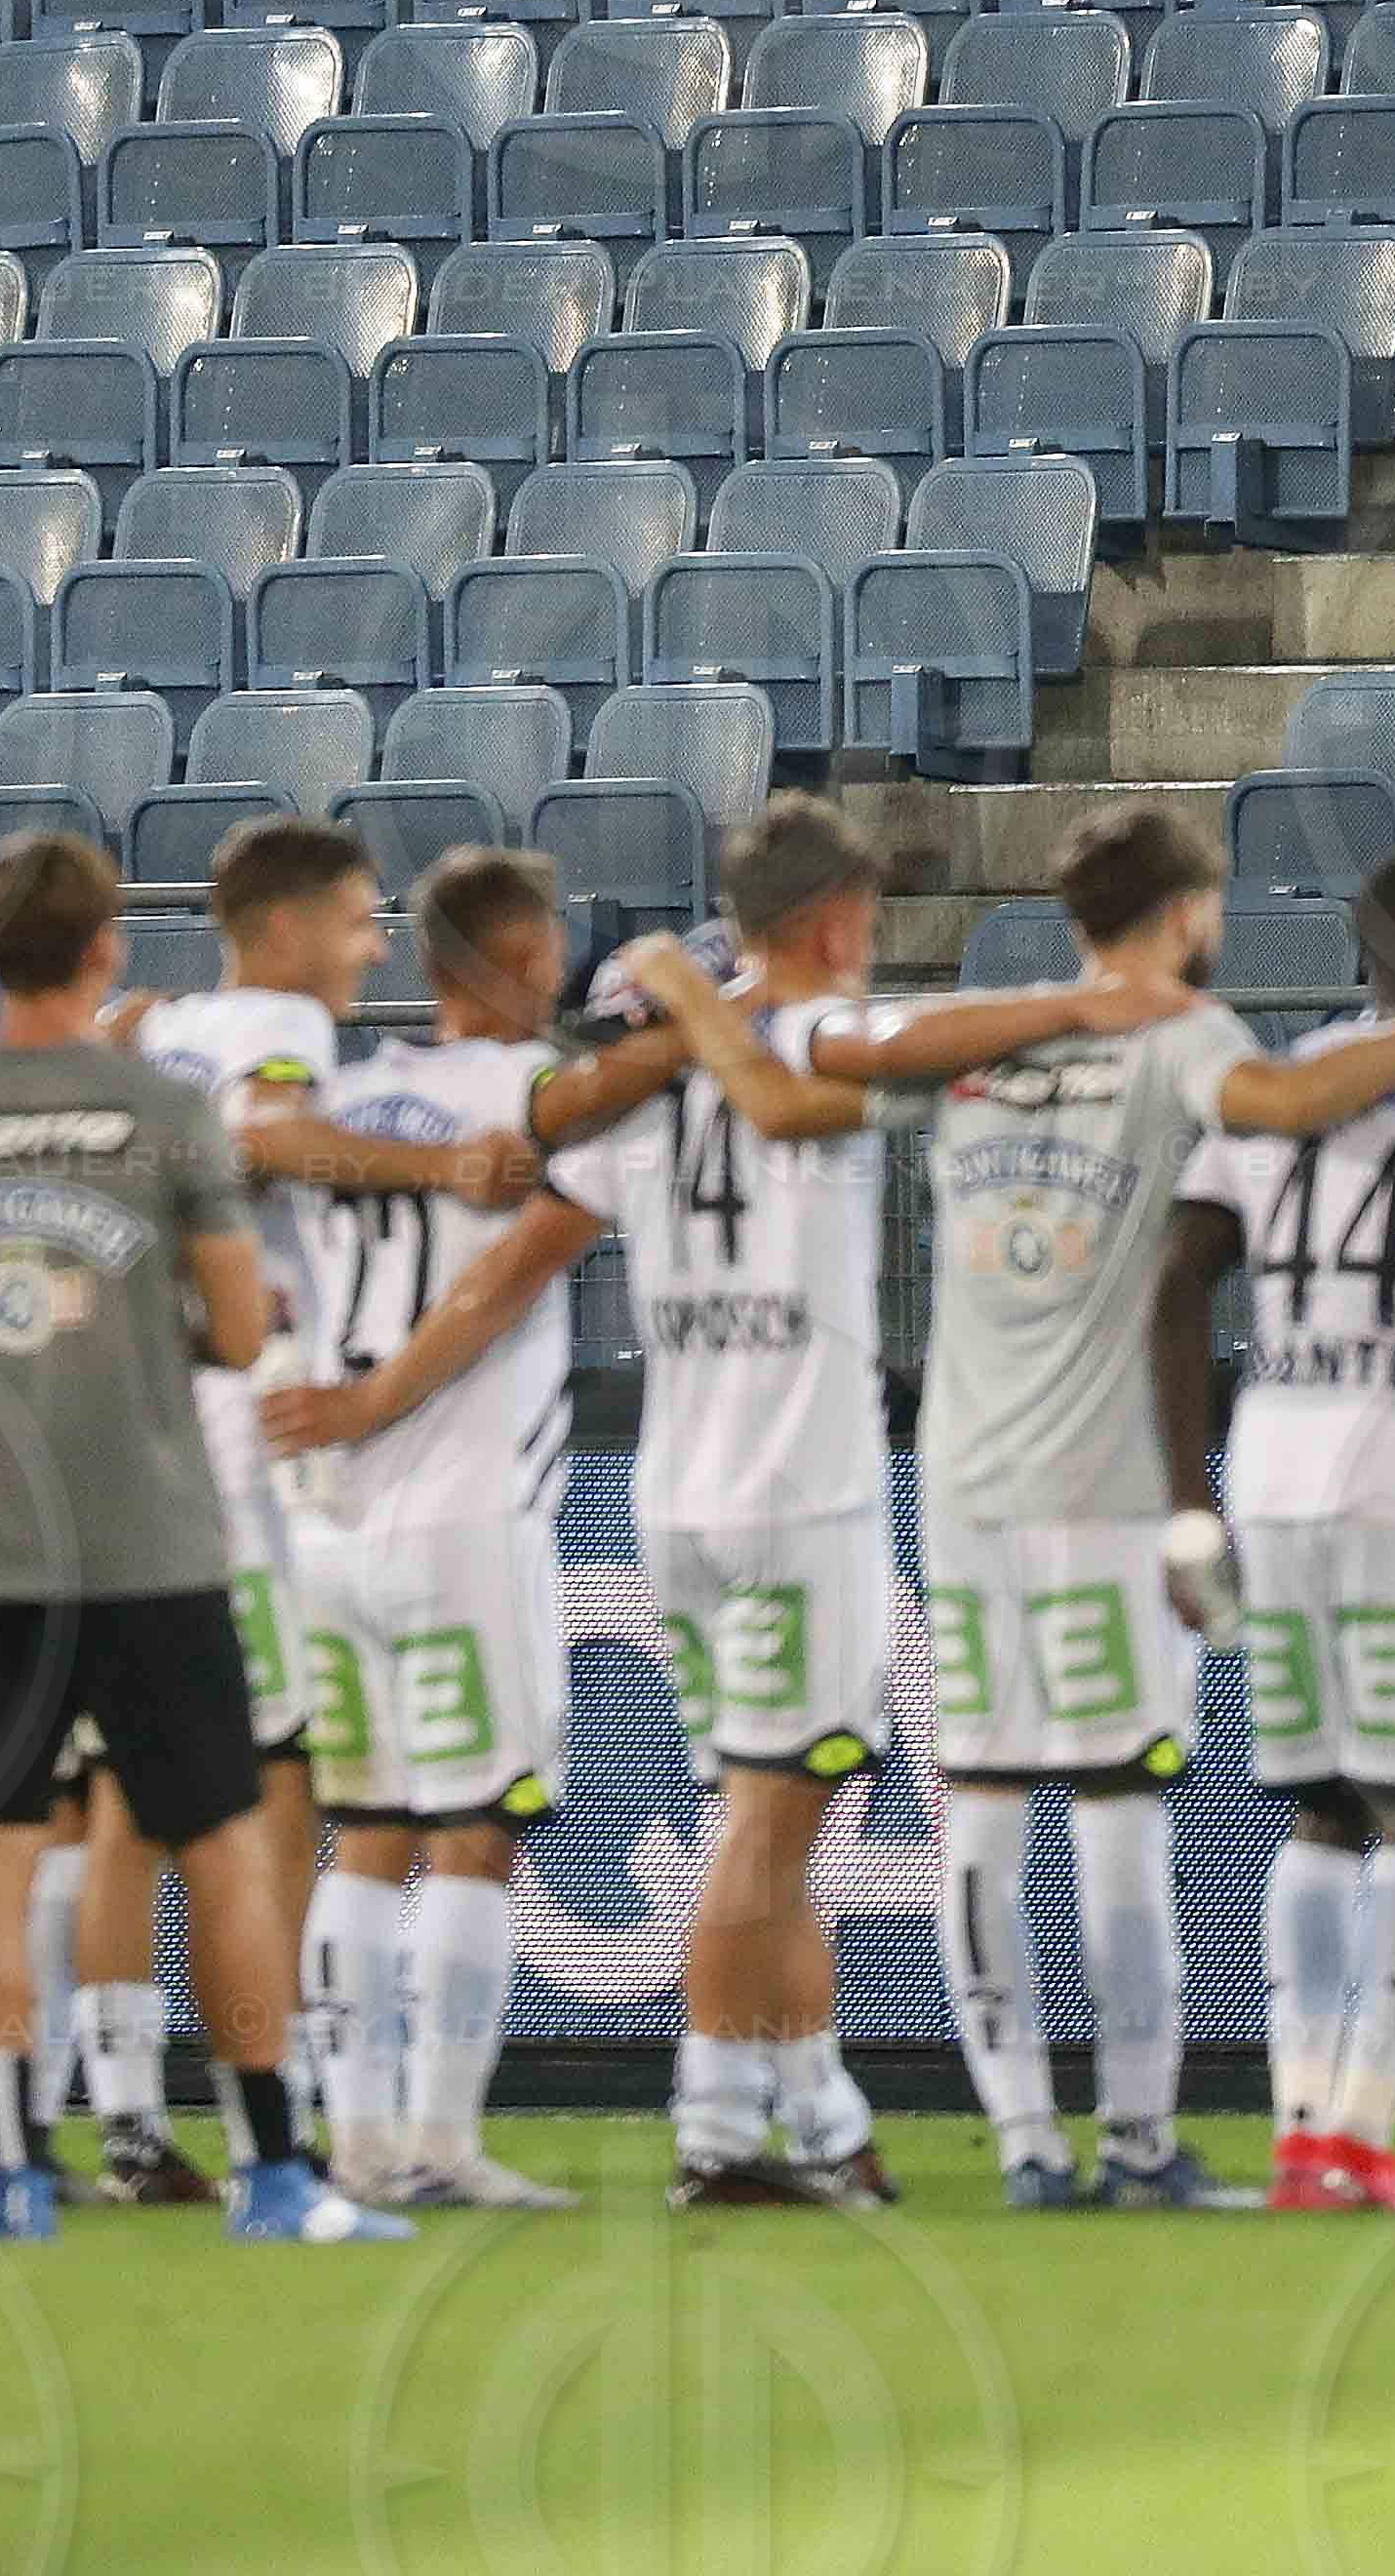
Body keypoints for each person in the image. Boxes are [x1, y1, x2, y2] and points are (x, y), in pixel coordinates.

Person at [0, 829, 384, 2246]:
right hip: (150, 1537)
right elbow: (246, 1327)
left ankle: (15, 2177)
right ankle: (276, 2172)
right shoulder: (162, 1116)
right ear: (104, 954)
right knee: (218, 1844)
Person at [911, 804, 1395, 2211]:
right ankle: (1138, 2138)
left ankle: (1027, 2139)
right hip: (1100, 1490)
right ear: (1190, 911)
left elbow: (838, 1072)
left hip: (960, 1482)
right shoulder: (1187, 1039)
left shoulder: (981, 1035)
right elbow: (1290, 1110)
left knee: (977, 1813)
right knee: (1118, 1815)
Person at [249, 844, 700, 2213]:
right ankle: (441, 2137)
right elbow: (631, 1078)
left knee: (367, 1833)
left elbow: (253, 1153)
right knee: (480, 1830)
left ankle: (359, 2135)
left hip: (324, 1514)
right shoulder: (522, 1097)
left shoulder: (338, 1096)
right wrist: (694, 1000)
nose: (563, 958)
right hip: (465, 1503)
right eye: (551, 937)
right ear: (513, 962)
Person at [543, 804, 914, 2205]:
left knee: (771, 1819)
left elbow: (536, 1219)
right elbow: (788, 1093)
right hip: (798, 1494)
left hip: (677, 1488)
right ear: (833, 922)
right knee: (763, 1832)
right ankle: (714, 2121)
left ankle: (816, 2121)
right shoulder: (822, 1039)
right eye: (866, 917)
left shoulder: (647, 1082)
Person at [1162, 842, 1395, 2215]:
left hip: (1277, 1471)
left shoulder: (1274, 1089)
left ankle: (1302, 2123)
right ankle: (1361, 2127)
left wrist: (1188, 1497)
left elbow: (1178, 1284)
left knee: (1316, 1810)